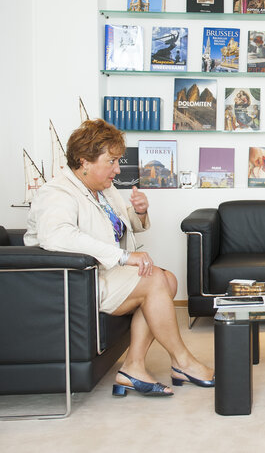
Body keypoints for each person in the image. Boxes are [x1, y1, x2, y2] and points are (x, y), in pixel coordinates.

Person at [24, 119, 215, 396]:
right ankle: (182, 361)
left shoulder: (104, 190)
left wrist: (138, 212)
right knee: (156, 282)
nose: (117, 169)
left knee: (168, 279)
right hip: (78, 281)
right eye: (111, 161)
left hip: (103, 273)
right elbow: (58, 237)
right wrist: (125, 257)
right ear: (84, 161)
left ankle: (133, 367)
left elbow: (117, 227)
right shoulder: (56, 193)